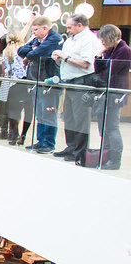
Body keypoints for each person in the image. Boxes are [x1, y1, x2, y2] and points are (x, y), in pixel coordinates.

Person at [52, 14, 103, 165]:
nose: (67, 30)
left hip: (81, 81)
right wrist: (59, 59)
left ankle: (80, 151)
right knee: (69, 116)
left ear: (80, 25)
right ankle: (71, 146)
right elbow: (67, 60)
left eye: (70, 27)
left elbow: (86, 63)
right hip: (69, 81)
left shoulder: (88, 39)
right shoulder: (71, 40)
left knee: (80, 118)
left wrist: (66, 58)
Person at [18, 15, 63, 153]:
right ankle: (40, 141)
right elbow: (21, 51)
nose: (34, 32)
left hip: (49, 83)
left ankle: (48, 143)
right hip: (36, 81)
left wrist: (33, 51)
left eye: (36, 29)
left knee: (48, 113)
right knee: (40, 113)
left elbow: (33, 54)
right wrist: (34, 49)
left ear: (45, 28)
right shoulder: (36, 39)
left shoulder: (54, 38)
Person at [92, 24, 131, 170]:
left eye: (103, 41)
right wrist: (98, 56)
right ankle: (106, 156)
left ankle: (114, 160)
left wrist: (99, 77)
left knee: (112, 127)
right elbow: (99, 70)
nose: (102, 44)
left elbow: (110, 72)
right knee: (103, 128)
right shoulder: (111, 50)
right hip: (106, 92)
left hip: (115, 94)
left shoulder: (124, 50)